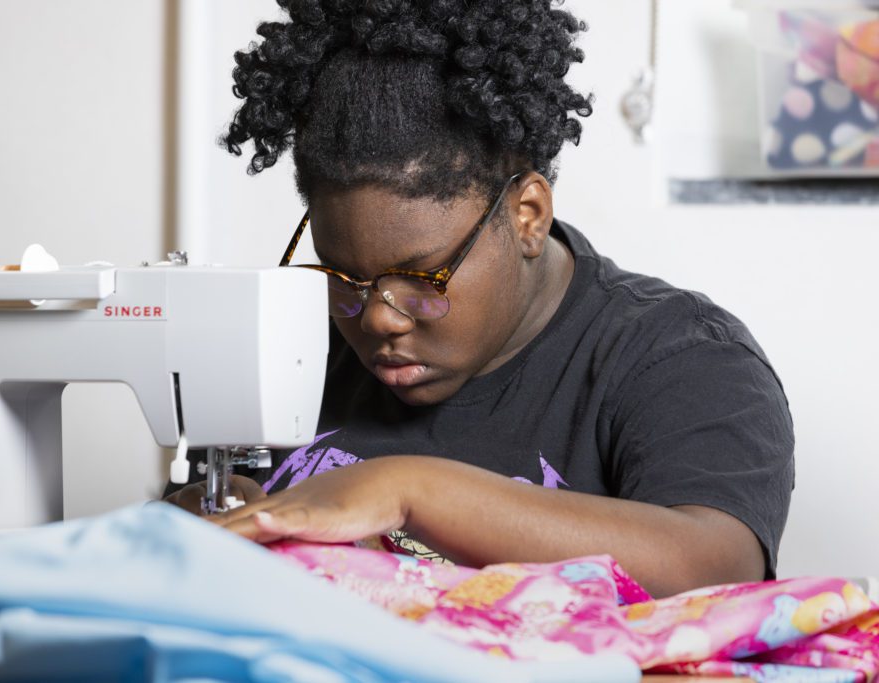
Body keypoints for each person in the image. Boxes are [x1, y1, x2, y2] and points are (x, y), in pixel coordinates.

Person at [165, 0, 795, 598]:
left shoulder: (677, 359)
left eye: (423, 277)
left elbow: (719, 568)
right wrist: (184, 529)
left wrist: (408, 489)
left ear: (527, 216)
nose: (378, 316)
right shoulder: (290, 348)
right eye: (343, 277)